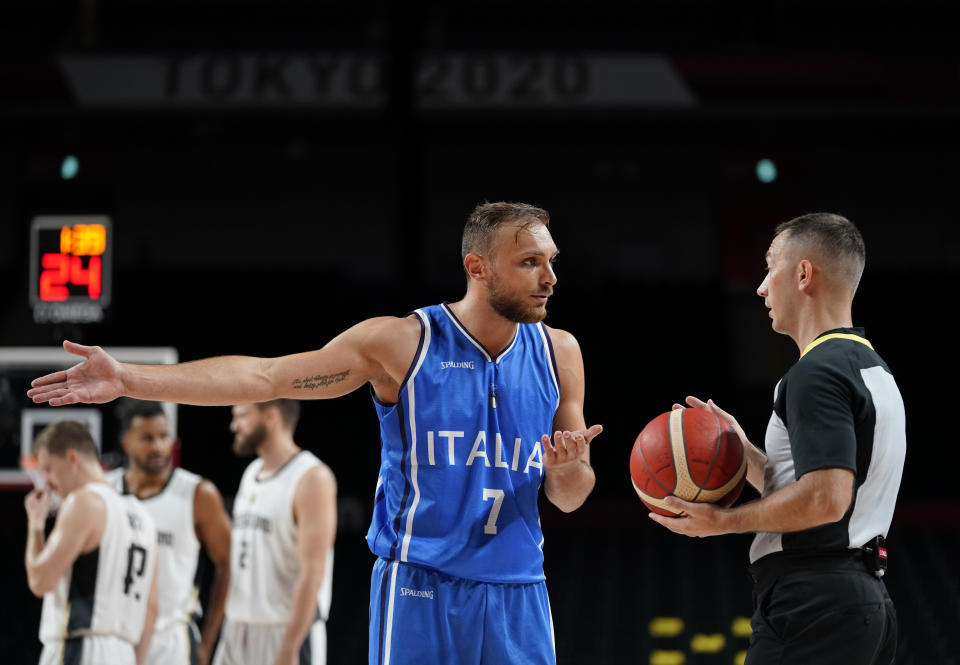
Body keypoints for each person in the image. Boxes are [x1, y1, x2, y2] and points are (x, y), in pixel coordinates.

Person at [27, 200, 603, 665]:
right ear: (477, 267)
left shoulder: (560, 353)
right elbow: (264, 374)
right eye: (530, 261)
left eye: (551, 261)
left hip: (521, 590)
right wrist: (127, 377)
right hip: (421, 586)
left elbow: (571, 498)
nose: (550, 277)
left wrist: (567, 469)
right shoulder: (403, 344)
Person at [650, 213, 905, 665]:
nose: (761, 287)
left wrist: (719, 522)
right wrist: (742, 449)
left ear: (804, 274)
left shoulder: (816, 372)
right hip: (861, 599)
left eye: (770, 267)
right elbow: (824, 484)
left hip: (814, 602)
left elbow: (826, 500)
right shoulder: (870, 367)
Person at [106, 399, 233, 665]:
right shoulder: (105, 492)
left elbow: (229, 562)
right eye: (147, 438)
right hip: (114, 637)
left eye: (164, 437)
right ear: (126, 442)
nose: (158, 446)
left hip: (171, 641)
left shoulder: (197, 494)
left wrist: (208, 641)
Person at [24, 420, 160, 665]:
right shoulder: (144, 516)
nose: (46, 481)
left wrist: (35, 526)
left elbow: (40, 581)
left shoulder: (83, 502)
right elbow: (152, 608)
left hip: (81, 649)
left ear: (72, 458)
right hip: (125, 653)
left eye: (48, 469)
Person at [213, 399, 336, 665]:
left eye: (242, 416)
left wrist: (289, 646)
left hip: (284, 631)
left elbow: (313, 572)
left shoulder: (312, 478)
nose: (234, 426)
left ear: (271, 416)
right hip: (238, 628)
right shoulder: (251, 473)